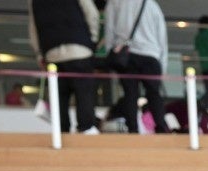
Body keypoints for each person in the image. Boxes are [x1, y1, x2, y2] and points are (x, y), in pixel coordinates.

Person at [27, 0, 100, 135]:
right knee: (84, 94)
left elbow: (33, 29)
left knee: (58, 97)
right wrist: (92, 41)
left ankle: (62, 134)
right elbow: (92, 14)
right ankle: (86, 129)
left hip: (52, 54)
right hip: (80, 49)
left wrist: (39, 54)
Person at [105, 0, 168, 134]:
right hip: (151, 55)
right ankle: (161, 127)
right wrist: (163, 64)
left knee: (130, 94)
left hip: (127, 55)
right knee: (154, 94)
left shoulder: (115, 3)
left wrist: (111, 53)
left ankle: (133, 128)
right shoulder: (152, 5)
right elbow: (162, 37)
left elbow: (109, 29)